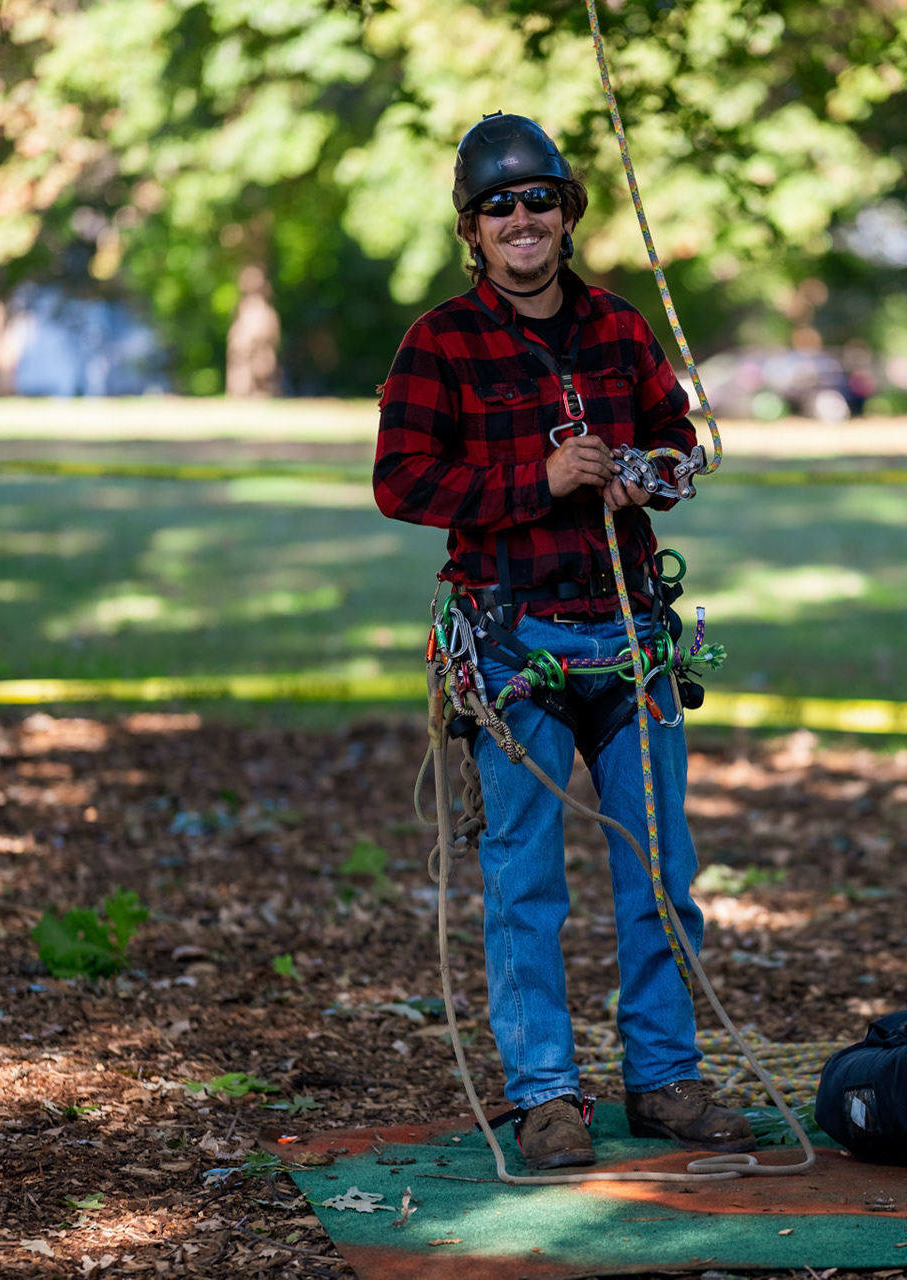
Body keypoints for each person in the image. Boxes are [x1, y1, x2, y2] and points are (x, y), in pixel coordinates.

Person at [372, 113, 754, 1171]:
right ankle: (545, 1095)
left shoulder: (620, 327)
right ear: (473, 229)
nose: (521, 218)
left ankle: (665, 1080)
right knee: (524, 881)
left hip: (631, 639)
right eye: (499, 205)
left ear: (567, 212)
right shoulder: (440, 342)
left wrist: (645, 473)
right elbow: (401, 481)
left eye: (538, 199)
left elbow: (680, 446)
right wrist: (534, 482)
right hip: (513, 646)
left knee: (661, 873)